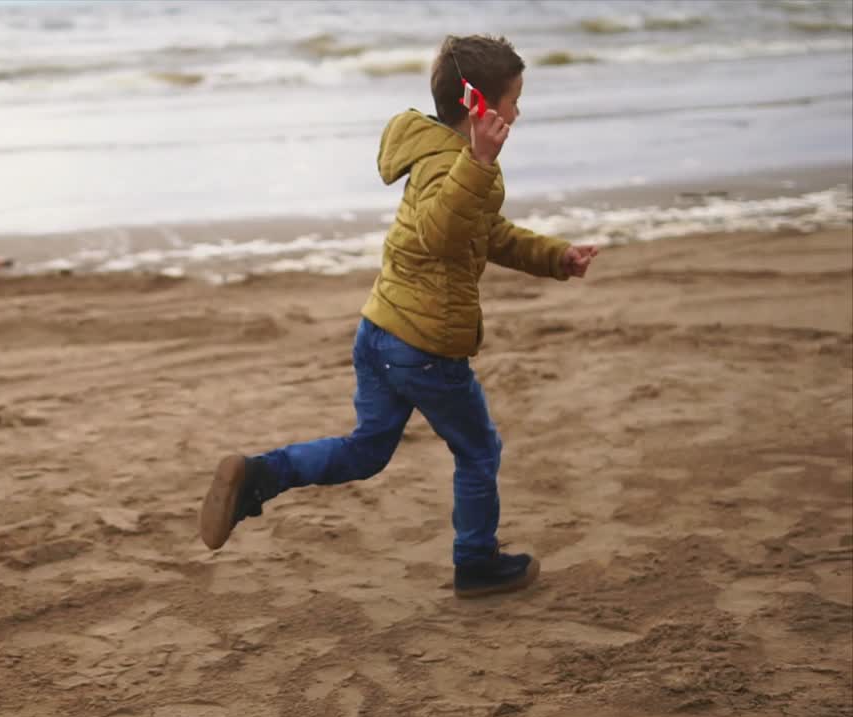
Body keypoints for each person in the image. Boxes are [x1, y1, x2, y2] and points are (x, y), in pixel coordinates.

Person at [198, 34, 599, 598]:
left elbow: (483, 234)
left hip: (382, 331)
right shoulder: (453, 166)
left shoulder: (447, 159)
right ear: (478, 108)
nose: (518, 111)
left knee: (366, 451)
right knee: (480, 451)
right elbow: (441, 233)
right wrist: (480, 160)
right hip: (426, 349)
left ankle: (261, 476)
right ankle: (477, 561)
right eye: (511, 99)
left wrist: (555, 256)